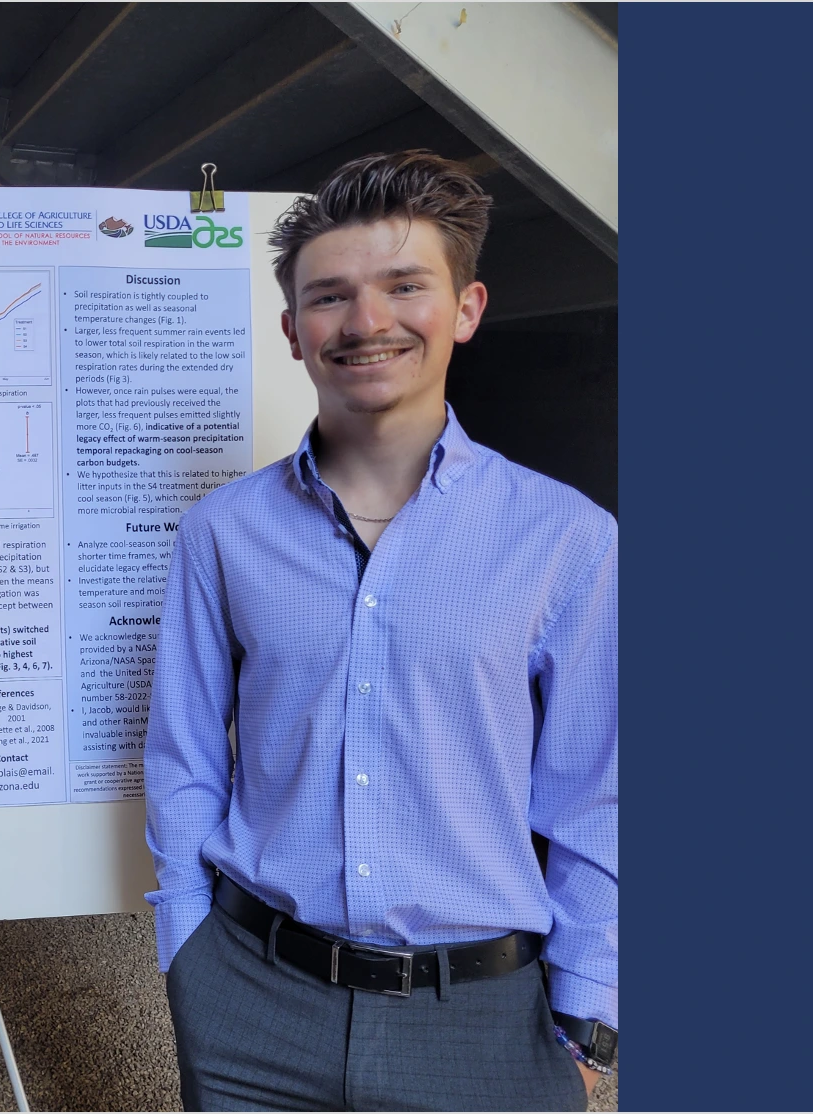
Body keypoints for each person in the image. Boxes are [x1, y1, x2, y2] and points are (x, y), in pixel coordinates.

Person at [142, 150, 617, 1112]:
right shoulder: (222, 533)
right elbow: (185, 756)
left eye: (405, 286)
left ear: (468, 308)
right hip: (252, 1006)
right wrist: (189, 952)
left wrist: (590, 1013)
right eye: (330, 297)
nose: (366, 323)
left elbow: (595, 793)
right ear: (291, 330)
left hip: (480, 1022)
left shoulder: (567, 539)